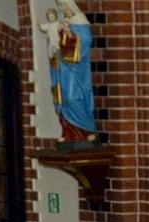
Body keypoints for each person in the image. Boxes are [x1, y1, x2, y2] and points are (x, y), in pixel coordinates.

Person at [42, 1, 96, 141]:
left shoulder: (80, 22)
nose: (62, 9)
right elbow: (55, 42)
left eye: (64, 5)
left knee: (74, 97)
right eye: (60, 6)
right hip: (62, 68)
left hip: (75, 69)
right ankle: (69, 132)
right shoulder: (63, 23)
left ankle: (86, 130)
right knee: (63, 97)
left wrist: (70, 34)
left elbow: (86, 41)